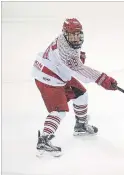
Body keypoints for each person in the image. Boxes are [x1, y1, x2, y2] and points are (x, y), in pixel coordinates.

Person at [32, 18, 118, 157]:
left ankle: (80, 125)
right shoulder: (66, 52)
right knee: (59, 111)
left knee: (81, 94)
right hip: (48, 78)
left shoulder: (66, 40)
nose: (76, 38)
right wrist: (103, 80)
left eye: (78, 34)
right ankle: (44, 139)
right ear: (66, 34)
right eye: (73, 34)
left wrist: (78, 60)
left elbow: (73, 65)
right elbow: (81, 72)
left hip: (59, 73)